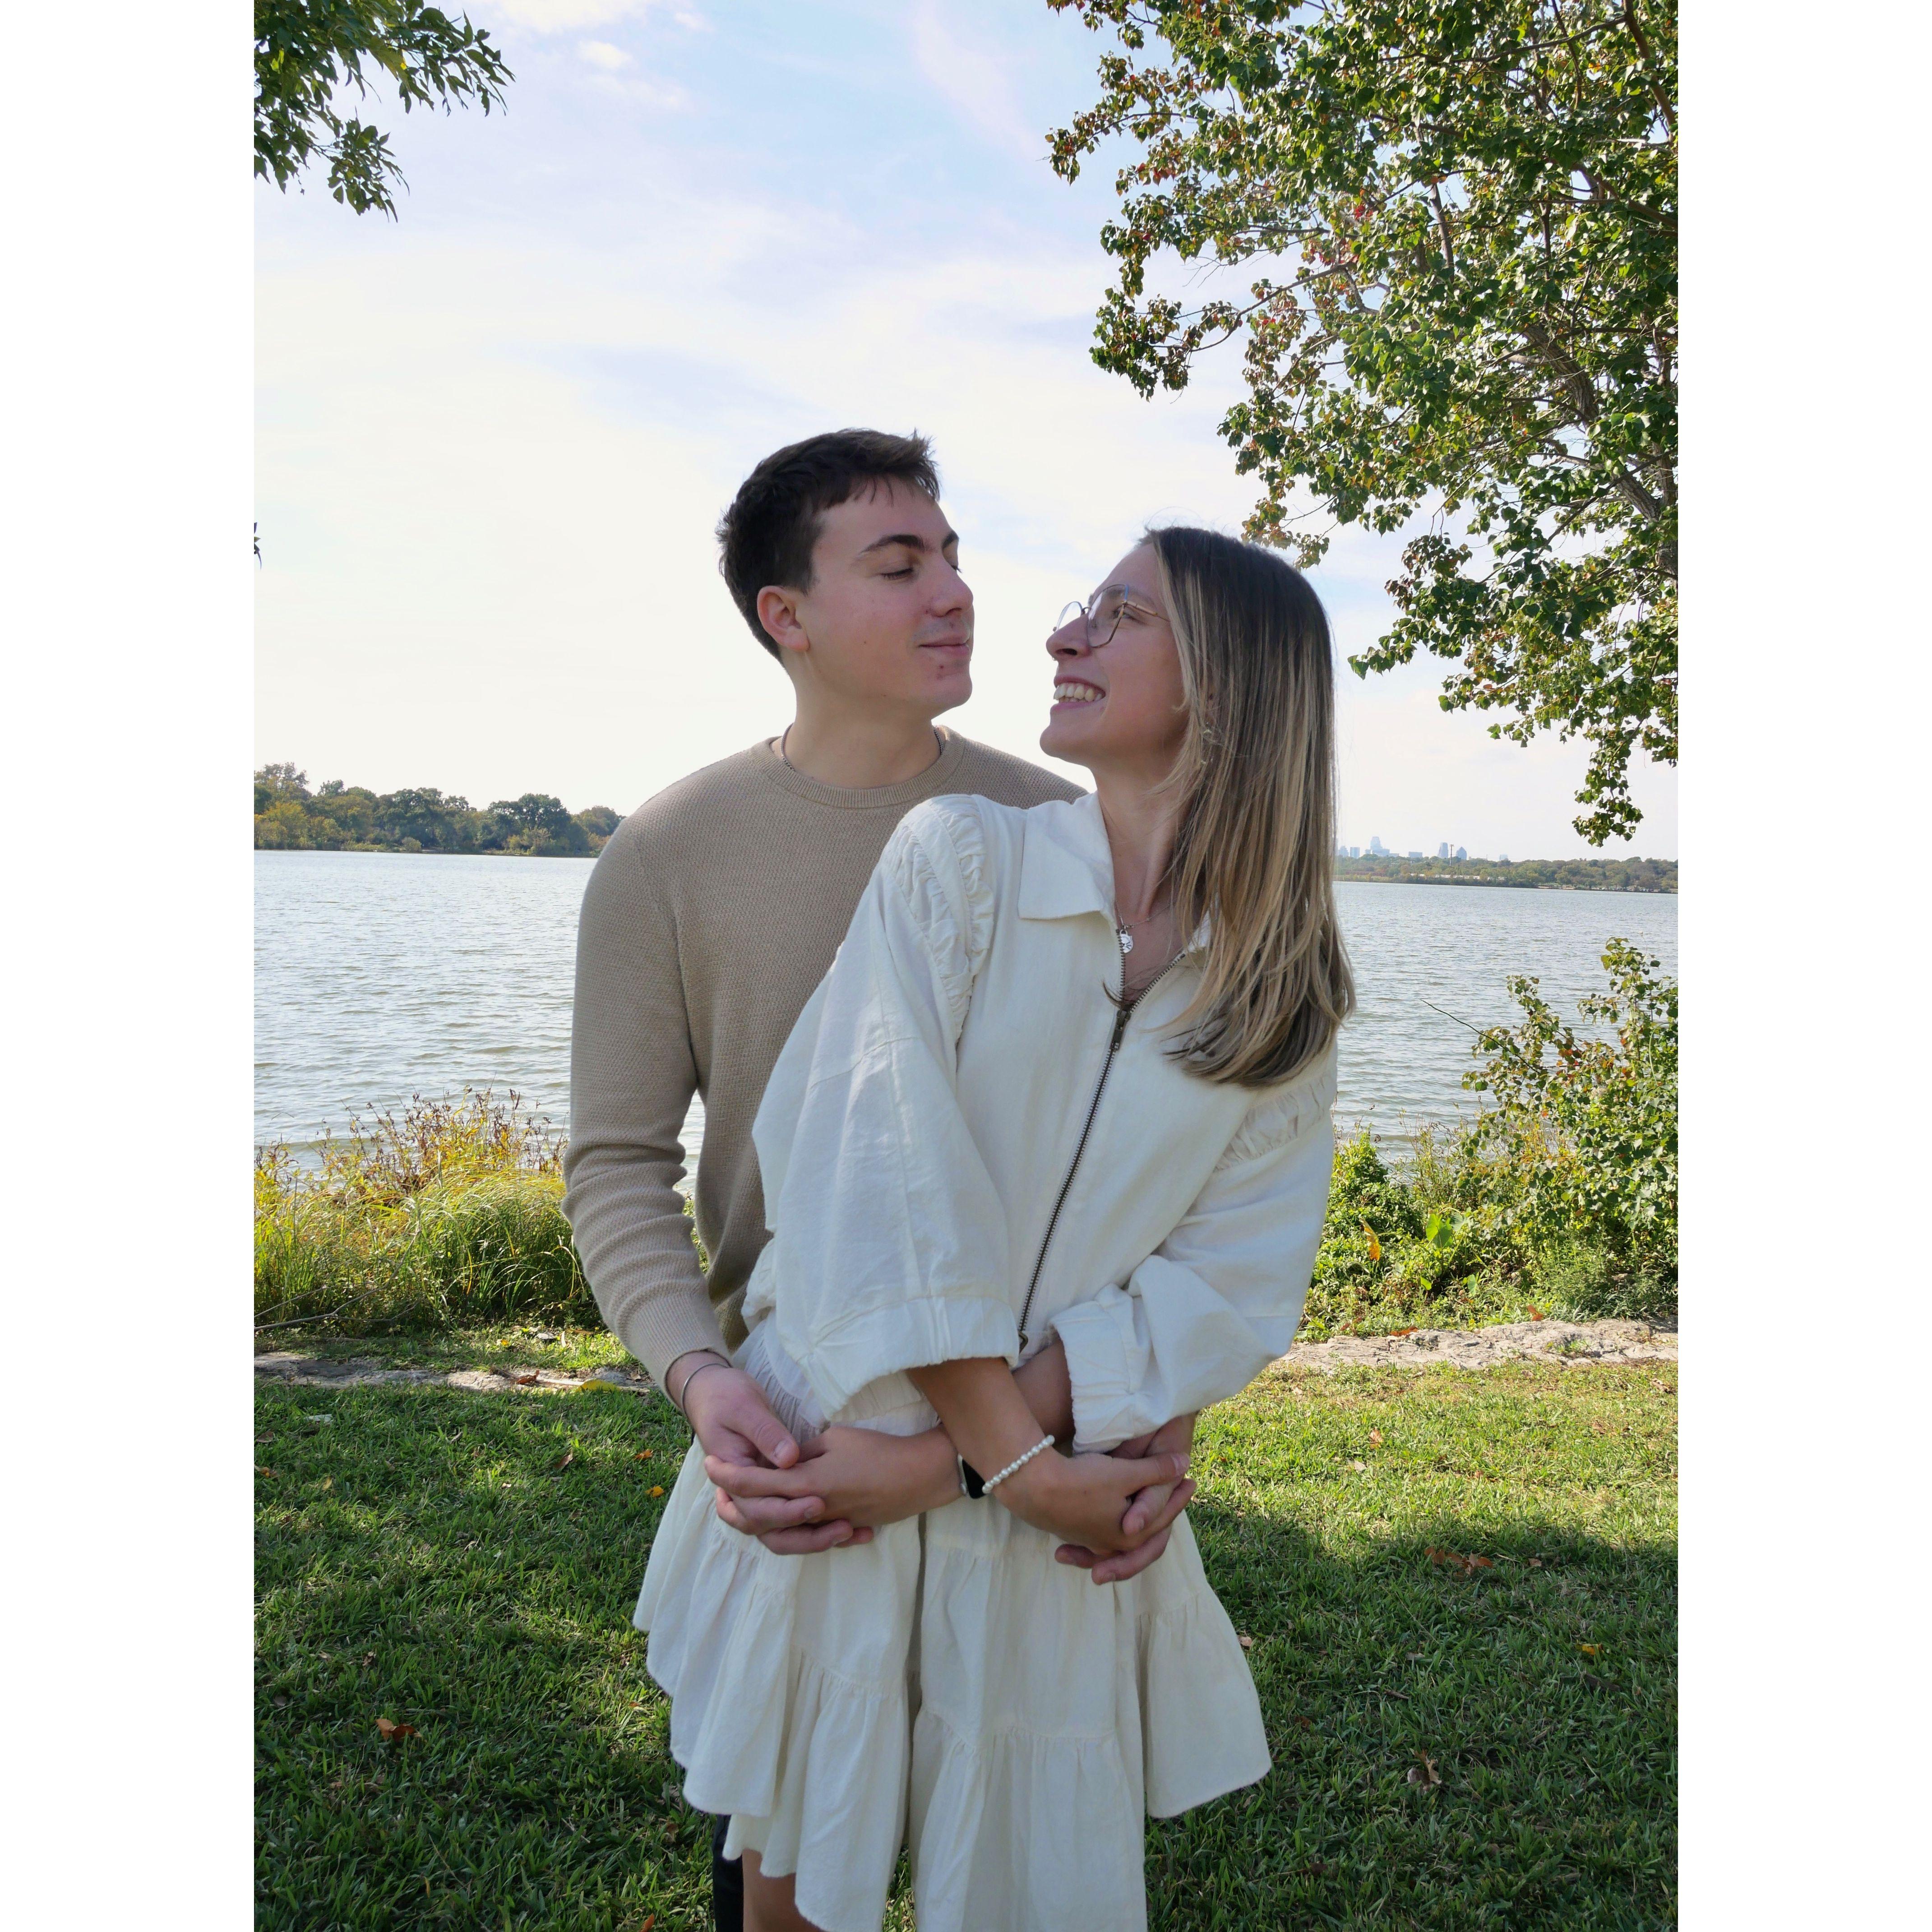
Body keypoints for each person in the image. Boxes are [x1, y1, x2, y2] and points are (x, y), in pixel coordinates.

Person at [637, 525, 1355, 1932]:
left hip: (1036, 1526)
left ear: (1225, 684)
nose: (1062, 634)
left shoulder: (1281, 990)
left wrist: (970, 1470)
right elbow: (876, 1182)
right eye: (1085, 605)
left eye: (1120, 615)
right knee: (792, 1894)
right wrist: (1003, 1465)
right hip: (840, 1462)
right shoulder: (959, 860)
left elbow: (1223, 1280)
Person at [563, 430, 1198, 1932]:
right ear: (784, 614)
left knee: (1018, 1853)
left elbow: (1163, 1157)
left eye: (954, 555)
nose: (954, 592)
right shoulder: (668, 849)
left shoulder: (1057, 826)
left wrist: (1150, 1405)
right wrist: (698, 1373)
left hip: (1041, 1412)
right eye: (898, 563)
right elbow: (615, 1162)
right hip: (809, 1430)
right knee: (787, 1855)